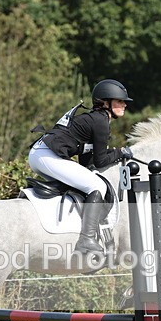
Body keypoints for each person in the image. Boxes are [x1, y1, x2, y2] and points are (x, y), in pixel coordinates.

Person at [29, 79, 134, 254]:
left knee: (85, 184)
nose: (124, 105)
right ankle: (86, 239)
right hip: (47, 155)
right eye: (120, 101)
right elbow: (101, 160)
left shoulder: (94, 119)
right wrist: (121, 152)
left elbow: (87, 161)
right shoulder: (100, 121)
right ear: (105, 103)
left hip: (41, 154)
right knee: (97, 185)